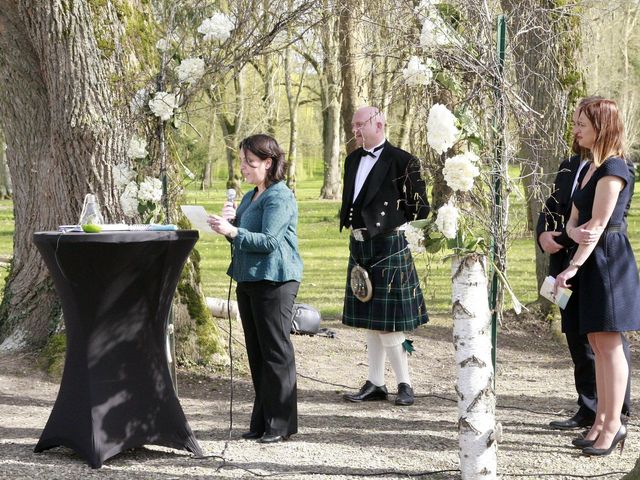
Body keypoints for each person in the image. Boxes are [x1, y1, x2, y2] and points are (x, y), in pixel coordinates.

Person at [537, 97, 632, 431]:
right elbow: (573, 222)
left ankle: (611, 424)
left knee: (608, 345)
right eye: (576, 122)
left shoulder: (615, 168)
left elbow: (595, 227)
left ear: (601, 128)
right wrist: (560, 241)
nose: (575, 130)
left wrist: (571, 266)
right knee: (594, 343)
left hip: (606, 262)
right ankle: (598, 421)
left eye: (582, 124)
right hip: (583, 260)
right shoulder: (587, 167)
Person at [208, 134, 303, 444]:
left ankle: (281, 424)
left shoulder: (280, 196)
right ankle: (262, 421)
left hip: (275, 281)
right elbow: (243, 238)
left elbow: (269, 242)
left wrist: (234, 231)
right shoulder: (250, 197)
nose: (244, 168)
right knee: (257, 353)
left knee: (276, 352)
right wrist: (228, 229)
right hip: (249, 280)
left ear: (268, 162)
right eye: (242, 162)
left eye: (250, 162)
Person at [339, 106, 430, 407]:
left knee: (388, 323)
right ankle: (376, 382)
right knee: (371, 317)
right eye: (353, 125)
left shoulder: (402, 160)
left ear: (379, 124)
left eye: (359, 124)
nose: (355, 130)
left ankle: (405, 384)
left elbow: (422, 209)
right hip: (360, 244)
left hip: (388, 244)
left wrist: (395, 226)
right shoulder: (352, 159)